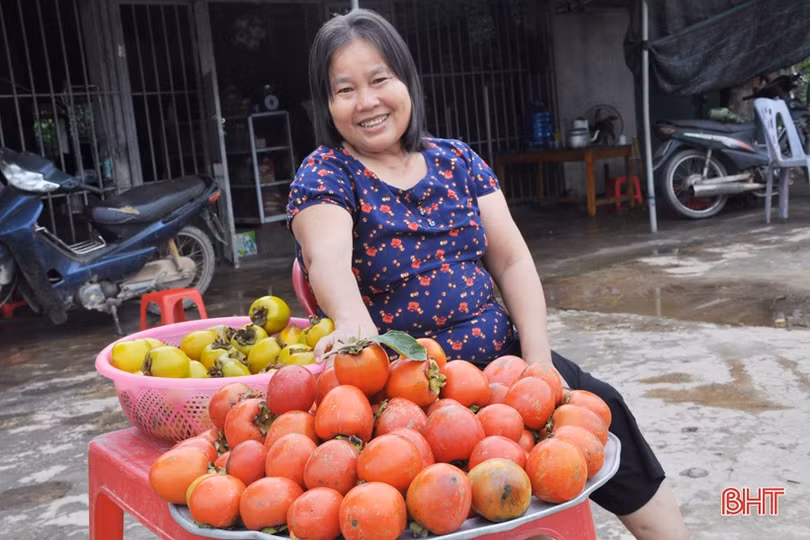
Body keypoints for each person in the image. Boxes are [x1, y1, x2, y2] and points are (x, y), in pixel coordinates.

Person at [286, 8, 690, 540]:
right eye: (344, 89)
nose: (367, 101)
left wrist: (539, 361)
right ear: (327, 102)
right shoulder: (327, 173)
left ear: (406, 79)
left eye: (380, 79)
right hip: (410, 387)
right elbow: (327, 257)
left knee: (601, 409)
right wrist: (354, 323)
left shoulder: (457, 160)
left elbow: (512, 260)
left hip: (503, 357)